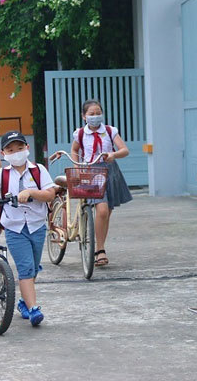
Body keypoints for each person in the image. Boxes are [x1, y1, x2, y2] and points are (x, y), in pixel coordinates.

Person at [0, 131, 56, 326]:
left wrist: (30, 192)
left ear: (27, 149)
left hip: (37, 226)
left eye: (19, 148)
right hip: (15, 228)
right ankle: (33, 309)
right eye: (10, 150)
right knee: (25, 268)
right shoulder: (2, 174)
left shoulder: (38, 170)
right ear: (4, 153)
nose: (16, 153)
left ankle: (23, 302)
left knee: (33, 267)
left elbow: (49, 194)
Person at [71, 99, 133, 267]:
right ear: (84, 116)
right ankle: (99, 250)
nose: (95, 116)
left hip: (110, 171)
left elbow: (124, 150)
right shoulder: (81, 134)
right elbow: (75, 150)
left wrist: (114, 155)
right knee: (103, 210)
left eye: (98, 113)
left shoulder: (110, 131)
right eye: (91, 114)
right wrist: (77, 167)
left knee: (106, 214)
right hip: (91, 172)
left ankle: (100, 248)